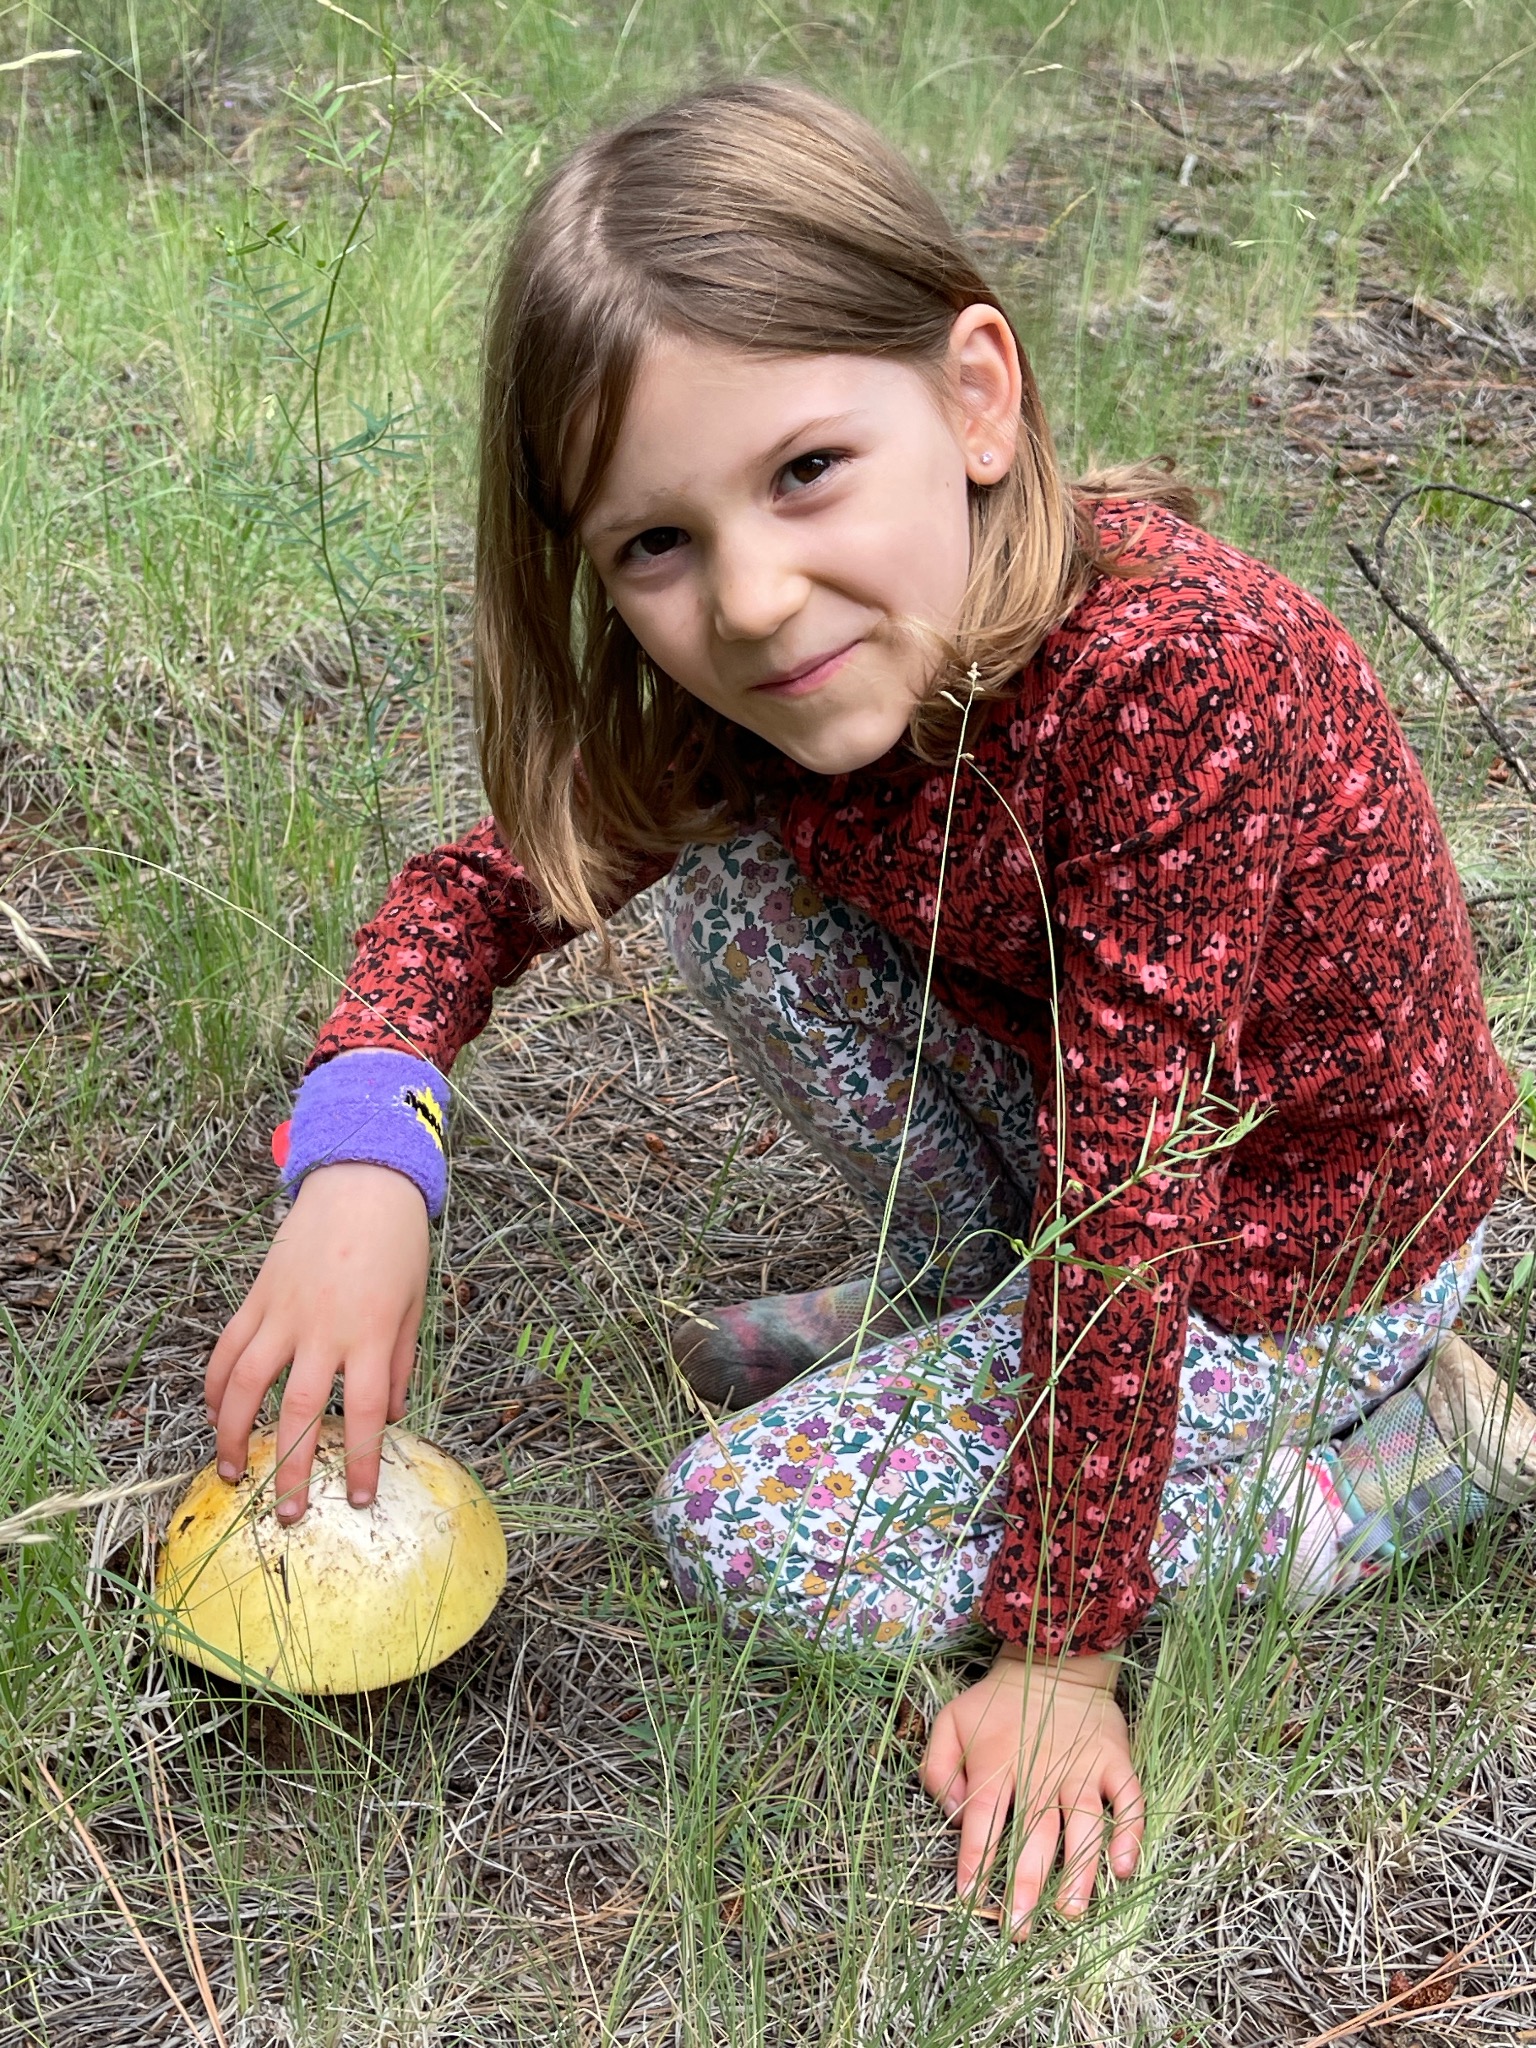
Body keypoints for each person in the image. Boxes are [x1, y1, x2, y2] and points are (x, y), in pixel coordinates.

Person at [204, 80, 1535, 1938]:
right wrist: (367, 1152)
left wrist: (1060, 1653)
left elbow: (1133, 1208)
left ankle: (1403, 1460)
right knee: (726, 875)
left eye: (807, 470)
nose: (752, 599)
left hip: (1301, 1234)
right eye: (654, 544)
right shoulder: (800, 670)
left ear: (975, 399)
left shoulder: (1175, 685)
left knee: (750, 1536)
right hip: (1089, 1149)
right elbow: (483, 888)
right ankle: (955, 1285)